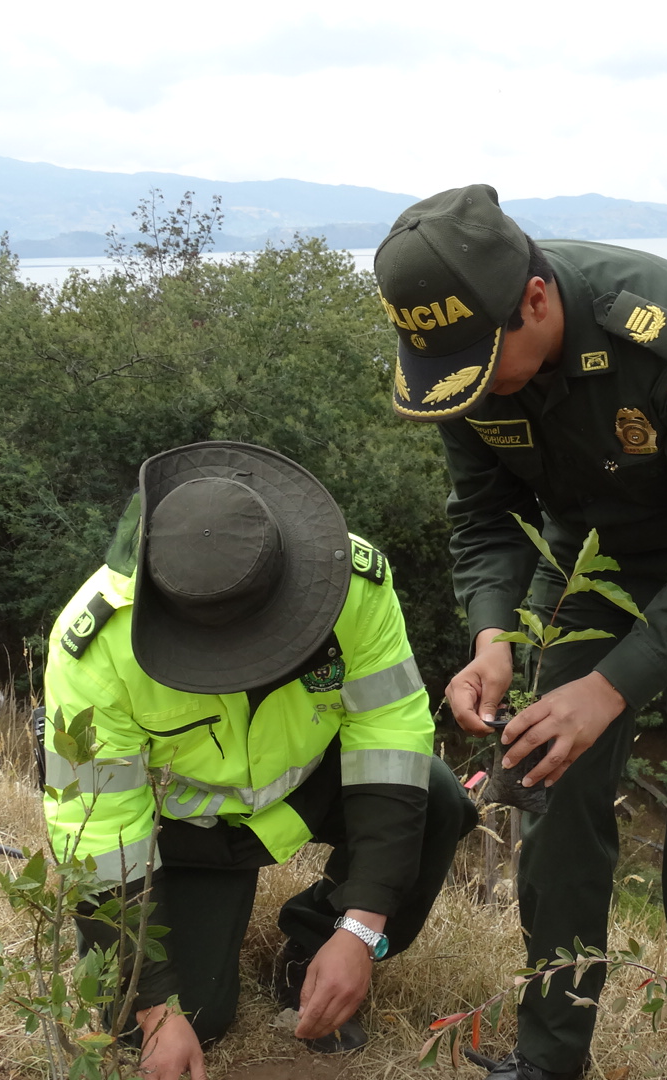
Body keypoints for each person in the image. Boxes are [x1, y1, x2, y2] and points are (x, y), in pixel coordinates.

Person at [375, 186, 667, 1079]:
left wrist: (606, 693)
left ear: (534, 298)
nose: (479, 386)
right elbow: (484, 521)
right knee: (554, 805)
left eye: (491, 362)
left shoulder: (665, 327)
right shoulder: (461, 357)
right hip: (589, 565)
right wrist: (494, 639)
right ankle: (548, 1061)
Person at [39, 441, 476, 1080]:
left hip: (301, 794)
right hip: (183, 836)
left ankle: (312, 948)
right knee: (183, 1022)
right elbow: (100, 833)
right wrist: (157, 1009)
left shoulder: (353, 582)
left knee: (435, 794)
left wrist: (361, 928)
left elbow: (391, 736)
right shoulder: (95, 648)